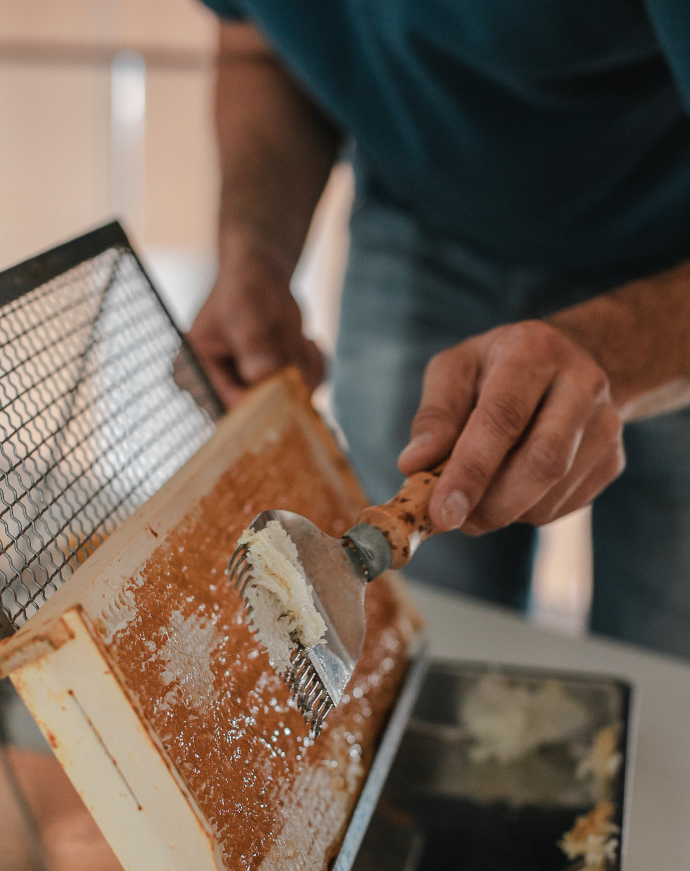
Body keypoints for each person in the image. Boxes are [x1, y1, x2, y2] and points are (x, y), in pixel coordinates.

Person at [188, 4, 690, 658]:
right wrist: (253, 252)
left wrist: (619, 350)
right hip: (421, 220)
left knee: (667, 662)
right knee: (428, 629)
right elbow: (256, 45)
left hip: (671, 250)